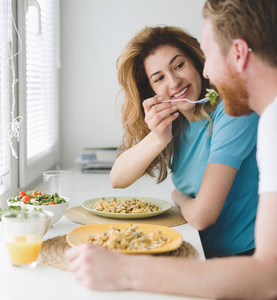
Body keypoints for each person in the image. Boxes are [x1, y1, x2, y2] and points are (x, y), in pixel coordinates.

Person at [65, 0, 277, 299]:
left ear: (239, 54)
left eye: (208, 56)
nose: (206, 71)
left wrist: (124, 271)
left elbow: (273, 279)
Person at [107, 25, 259, 258]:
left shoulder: (233, 111)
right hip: (198, 249)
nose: (174, 82)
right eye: (159, 78)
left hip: (243, 258)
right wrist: (157, 138)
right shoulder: (177, 124)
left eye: (179, 65)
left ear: (197, 63)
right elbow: (117, 179)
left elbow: (201, 217)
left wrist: (179, 197)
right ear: (152, 91)